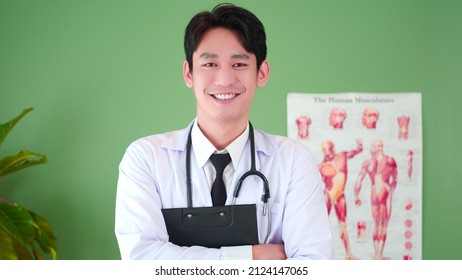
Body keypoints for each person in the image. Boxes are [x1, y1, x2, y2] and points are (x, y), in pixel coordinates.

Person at [115, 3, 333, 260]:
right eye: (210, 64)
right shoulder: (146, 159)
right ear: (188, 73)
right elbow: (141, 260)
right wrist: (250, 256)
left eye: (239, 64)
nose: (224, 79)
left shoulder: (293, 160)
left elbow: (313, 263)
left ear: (261, 73)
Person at [318, 139, 362, 259]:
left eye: (329, 148)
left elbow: (355, 152)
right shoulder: (321, 166)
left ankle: (348, 253)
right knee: (321, 225)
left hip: (340, 195)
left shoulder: (342, 157)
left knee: (343, 225)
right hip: (328, 195)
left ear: (333, 148)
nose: (328, 152)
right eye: (324, 150)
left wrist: (359, 146)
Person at [354, 140, 397, 260]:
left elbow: (359, 181)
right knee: (383, 224)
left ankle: (377, 254)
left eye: (373, 146)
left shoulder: (368, 163)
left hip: (374, 191)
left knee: (377, 223)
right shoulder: (389, 161)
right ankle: (379, 254)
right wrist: (390, 189)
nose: (372, 149)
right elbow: (395, 178)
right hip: (384, 190)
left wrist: (356, 196)